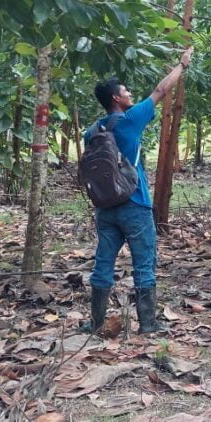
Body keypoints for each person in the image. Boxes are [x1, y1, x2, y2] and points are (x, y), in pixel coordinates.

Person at [80, 46, 194, 336]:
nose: (131, 94)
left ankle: (95, 323)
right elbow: (160, 90)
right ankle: (148, 324)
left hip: (105, 208)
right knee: (144, 261)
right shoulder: (130, 120)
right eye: (126, 91)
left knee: (103, 262)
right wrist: (182, 65)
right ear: (116, 99)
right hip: (135, 203)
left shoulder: (92, 131)